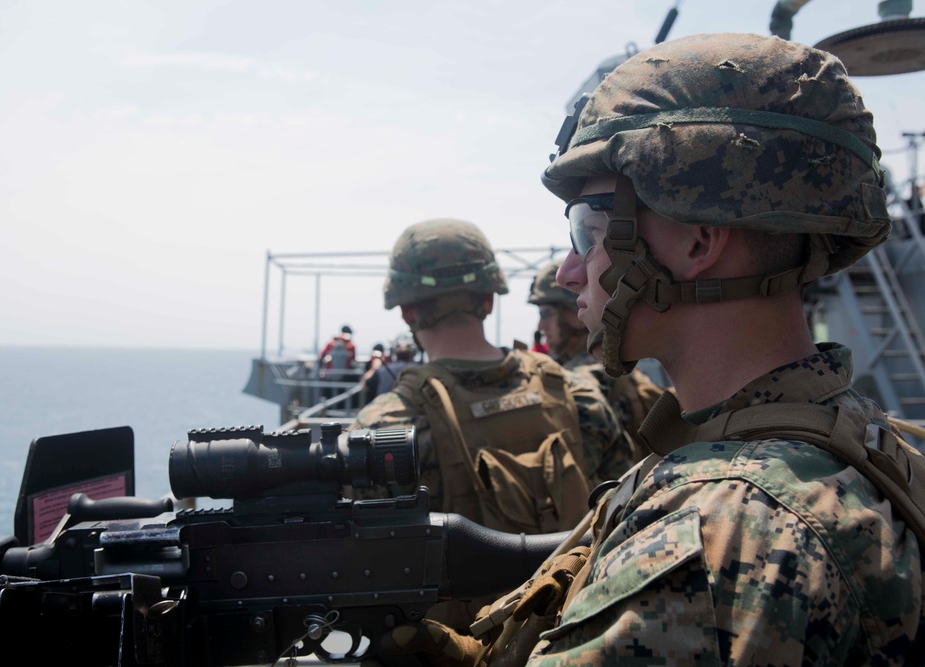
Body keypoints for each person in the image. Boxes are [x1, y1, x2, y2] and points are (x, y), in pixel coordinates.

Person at [380, 33, 924, 665]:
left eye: (589, 228)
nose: (568, 272)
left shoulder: (724, 532)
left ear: (697, 241)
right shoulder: (860, 441)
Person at [351, 218, 633, 511]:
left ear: (407, 312)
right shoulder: (580, 397)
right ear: (489, 301)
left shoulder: (385, 431)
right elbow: (623, 506)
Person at [528, 259, 664, 460]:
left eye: (546, 314)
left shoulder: (576, 384)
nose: (540, 326)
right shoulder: (622, 370)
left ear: (575, 313)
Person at [363, 335, 418, 402]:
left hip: (384, 409)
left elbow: (365, 386)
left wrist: (373, 369)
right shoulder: (420, 371)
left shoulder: (381, 370)